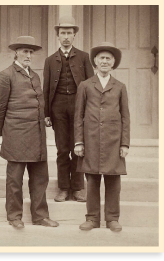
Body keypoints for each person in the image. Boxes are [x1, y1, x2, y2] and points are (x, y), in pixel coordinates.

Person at [0, 36, 59, 229]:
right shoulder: (6, 75)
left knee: (40, 178)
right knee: (15, 179)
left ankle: (40, 216)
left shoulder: (35, 76)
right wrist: (8, 129)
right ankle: (14, 216)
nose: (28, 55)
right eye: (24, 51)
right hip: (16, 135)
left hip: (37, 135)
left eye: (31, 52)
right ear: (16, 53)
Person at [74, 42, 130, 232]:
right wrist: (79, 141)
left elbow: (125, 116)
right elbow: (78, 115)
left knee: (113, 180)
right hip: (91, 139)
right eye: (101, 58)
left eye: (108, 58)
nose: (104, 61)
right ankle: (92, 218)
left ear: (113, 63)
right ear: (95, 62)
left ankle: (112, 218)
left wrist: (125, 143)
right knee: (92, 180)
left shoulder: (120, 87)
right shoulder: (85, 85)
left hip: (113, 141)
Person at [43, 15, 94, 202]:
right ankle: (63, 187)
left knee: (78, 147)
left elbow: (91, 85)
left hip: (79, 106)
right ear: (58, 36)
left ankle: (78, 187)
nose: (66, 36)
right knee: (62, 148)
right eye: (62, 33)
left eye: (69, 33)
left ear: (74, 36)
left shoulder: (84, 57)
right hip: (58, 108)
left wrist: (90, 110)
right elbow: (46, 87)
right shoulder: (50, 60)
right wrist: (46, 113)